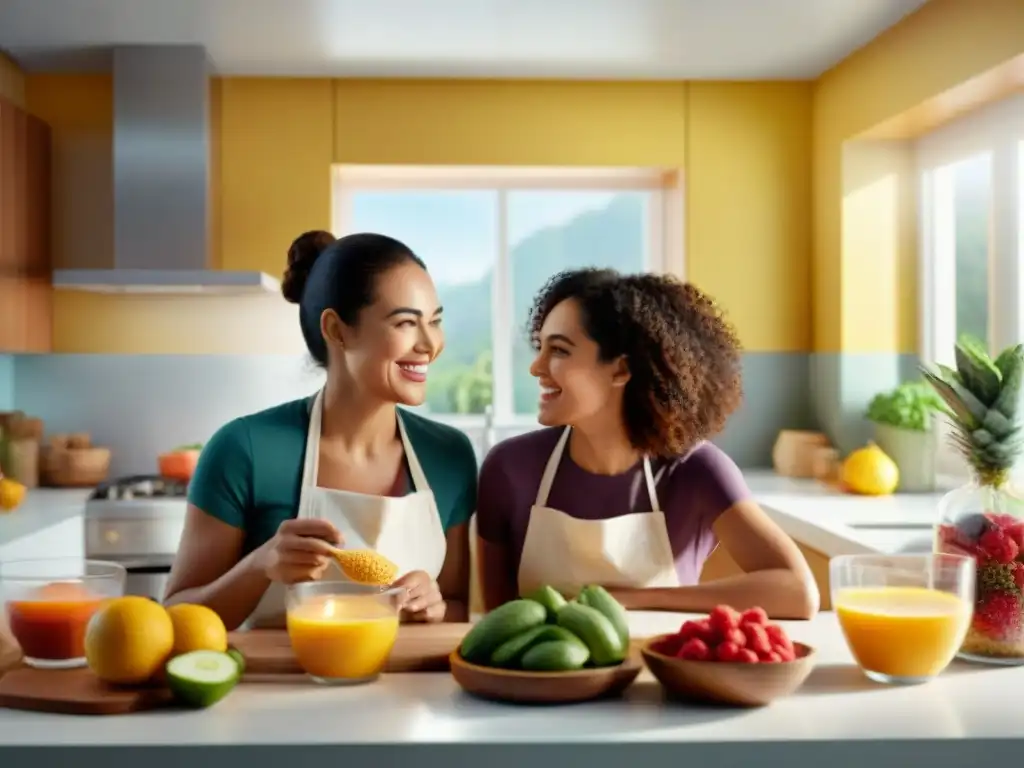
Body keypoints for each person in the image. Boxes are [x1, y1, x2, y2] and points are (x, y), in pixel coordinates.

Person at [164, 231, 478, 630]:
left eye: (435, 321)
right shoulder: (243, 449)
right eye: (406, 322)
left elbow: (456, 608)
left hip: (406, 691)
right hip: (270, 689)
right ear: (336, 329)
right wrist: (259, 566)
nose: (430, 344)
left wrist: (433, 607)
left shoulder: (448, 455)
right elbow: (175, 617)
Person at [476, 268, 819, 619]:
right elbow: (497, 623)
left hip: (665, 673)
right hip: (544, 675)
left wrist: (623, 600)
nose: (536, 367)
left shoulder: (697, 471)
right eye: (540, 348)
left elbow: (798, 592)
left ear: (621, 370)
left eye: (560, 350)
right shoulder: (509, 469)